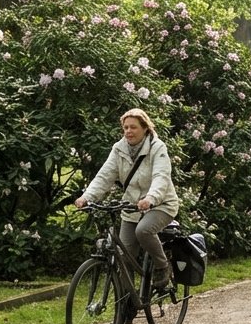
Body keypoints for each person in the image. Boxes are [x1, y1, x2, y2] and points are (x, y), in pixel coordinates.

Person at [74, 108, 180, 291]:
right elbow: (104, 176)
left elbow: (161, 177)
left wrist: (151, 198)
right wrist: (86, 197)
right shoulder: (119, 149)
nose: (129, 131)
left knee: (144, 230)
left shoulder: (157, 148)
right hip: (132, 207)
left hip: (161, 204)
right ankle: (125, 307)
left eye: (134, 127)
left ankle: (162, 266)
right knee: (123, 256)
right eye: (125, 127)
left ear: (145, 128)